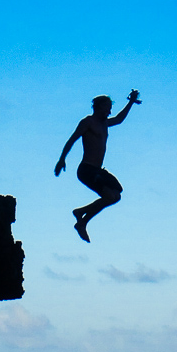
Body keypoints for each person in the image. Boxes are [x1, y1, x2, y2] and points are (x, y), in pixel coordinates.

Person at [54, 89, 140, 242]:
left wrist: (131, 102)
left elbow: (119, 119)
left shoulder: (105, 124)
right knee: (109, 196)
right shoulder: (88, 122)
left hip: (98, 170)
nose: (109, 111)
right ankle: (82, 221)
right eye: (107, 107)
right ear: (99, 107)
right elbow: (72, 139)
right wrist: (62, 159)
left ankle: (81, 213)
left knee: (116, 195)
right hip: (87, 169)